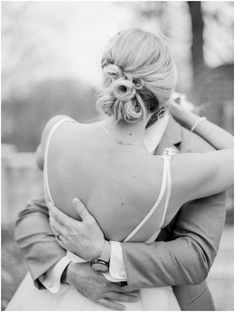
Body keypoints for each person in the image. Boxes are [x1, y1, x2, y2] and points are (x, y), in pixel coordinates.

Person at [7, 28, 233, 311]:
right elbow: (35, 212)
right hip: (82, 292)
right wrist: (66, 270)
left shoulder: (59, 132)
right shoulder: (175, 172)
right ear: (166, 91)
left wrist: (104, 254)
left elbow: (196, 256)